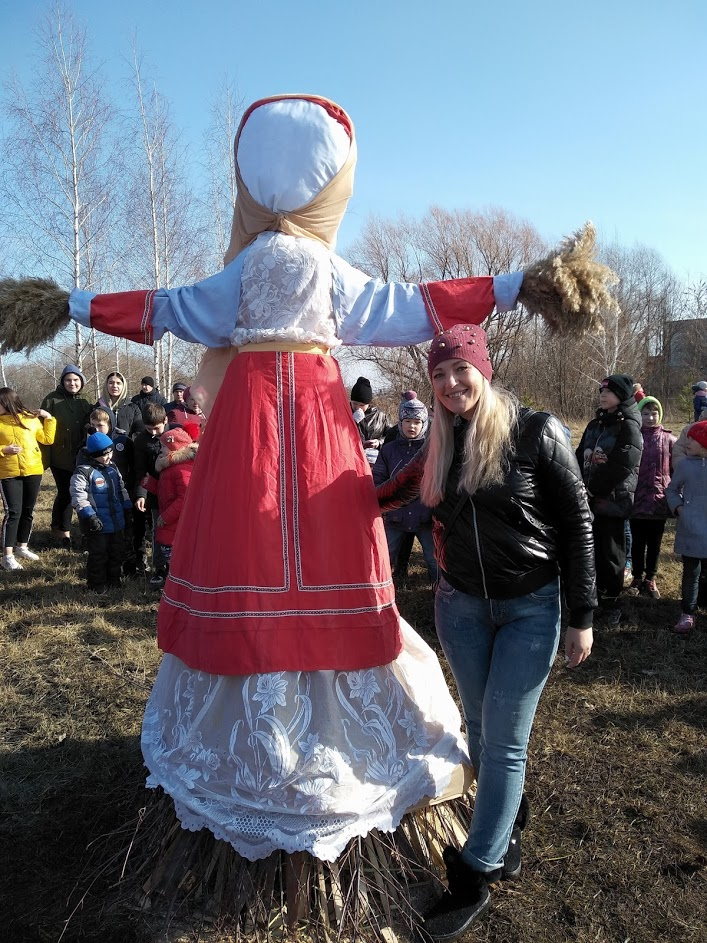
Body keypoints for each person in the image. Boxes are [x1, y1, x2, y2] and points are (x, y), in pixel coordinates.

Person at [2, 95, 617, 867]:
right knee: (330, 546)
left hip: (247, 426)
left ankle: (250, 703)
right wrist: (515, 283)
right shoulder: (328, 271)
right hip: (318, 421)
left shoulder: (243, 270)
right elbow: (417, 304)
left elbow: (163, 309)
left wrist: (71, 303)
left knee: (246, 540)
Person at [376, 325, 595, 939]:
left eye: (460, 371)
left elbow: (578, 522)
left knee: (503, 742)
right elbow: (382, 494)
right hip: (461, 609)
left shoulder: (535, 431)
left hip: (532, 608)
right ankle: (510, 823)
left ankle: (476, 870)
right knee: (478, 726)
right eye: (439, 375)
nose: (450, 384)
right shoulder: (438, 446)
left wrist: (583, 616)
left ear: (484, 369)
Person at [576, 374, 643, 625]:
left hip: (613, 502)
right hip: (589, 499)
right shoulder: (595, 424)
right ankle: (591, 598)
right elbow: (578, 454)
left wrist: (594, 489)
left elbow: (623, 465)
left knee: (611, 554)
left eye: (609, 391)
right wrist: (577, 485)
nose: (603, 395)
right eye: (601, 391)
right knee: (589, 552)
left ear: (622, 396)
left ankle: (612, 602)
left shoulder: (628, 426)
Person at [372, 391, 435, 584]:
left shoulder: (433, 450)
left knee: (434, 560)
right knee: (385, 557)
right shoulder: (388, 450)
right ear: (400, 422)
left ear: (424, 424)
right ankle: (379, 593)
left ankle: (441, 593)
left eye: (417, 422)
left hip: (425, 517)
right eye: (407, 421)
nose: (412, 426)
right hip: (395, 518)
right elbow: (378, 480)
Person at [0, 388, 56, 570]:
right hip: (8, 473)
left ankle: (22, 547)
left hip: (33, 470)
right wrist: (3, 450)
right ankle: (7, 557)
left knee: (28, 511)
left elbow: (47, 439)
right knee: (13, 513)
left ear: (7, 402)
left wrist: (49, 419)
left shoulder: (30, 419)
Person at [70, 432, 132, 594]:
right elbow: (79, 496)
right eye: (103, 455)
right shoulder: (83, 472)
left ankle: (114, 580)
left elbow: (121, 488)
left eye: (110, 453)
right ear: (94, 454)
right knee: (99, 554)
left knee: (116, 552)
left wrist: (127, 507)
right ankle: (97, 584)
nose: (108, 457)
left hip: (116, 520)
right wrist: (89, 515)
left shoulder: (113, 467)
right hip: (98, 523)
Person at [40, 364, 92, 549]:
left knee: (81, 493)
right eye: (68, 380)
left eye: (76, 380)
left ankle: (84, 531)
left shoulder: (86, 400)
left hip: (81, 455)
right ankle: (62, 533)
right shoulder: (52, 400)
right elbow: (41, 427)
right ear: (62, 381)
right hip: (60, 456)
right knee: (65, 493)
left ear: (81, 382)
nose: (72, 383)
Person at [628, 396, 675, 599]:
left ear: (660, 414)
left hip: (659, 499)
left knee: (655, 543)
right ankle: (637, 577)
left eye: (654, 413)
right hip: (637, 499)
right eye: (645, 413)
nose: (650, 417)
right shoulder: (634, 437)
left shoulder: (669, 439)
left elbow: (676, 469)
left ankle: (651, 577)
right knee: (637, 541)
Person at [84, 407, 138, 575]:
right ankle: (99, 574)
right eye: (93, 425)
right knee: (100, 543)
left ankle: (125, 569)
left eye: (100, 425)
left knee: (123, 538)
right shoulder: (86, 447)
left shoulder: (123, 441)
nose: (96, 429)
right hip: (97, 502)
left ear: (110, 424)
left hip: (120, 496)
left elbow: (133, 467)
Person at [666, 420, 707, 635]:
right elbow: (671, 490)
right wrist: (679, 509)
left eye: (692, 439)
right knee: (691, 572)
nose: (687, 442)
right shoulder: (685, 465)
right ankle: (688, 612)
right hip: (691, 528)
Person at [149, 422, 200, 589]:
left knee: (176, 558)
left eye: (163, 447)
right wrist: (150, 485)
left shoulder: (181, 469)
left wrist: (166, 516)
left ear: (174, 448)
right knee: (170, 557)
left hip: (175, 524)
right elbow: (168, 490)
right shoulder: (170, 467)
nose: (161, 451)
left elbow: (184, 498)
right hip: (171, 523)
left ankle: (178, 587)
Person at [133, 403, 169, 578]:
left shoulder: (175, 435)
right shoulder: (141, 441)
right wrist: (141, 494)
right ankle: (160, 567)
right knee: (158, 529)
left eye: (156, 428)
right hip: (155, 494)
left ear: (166, 420)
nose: (153, 433)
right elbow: (141, 471)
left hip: (178, 493)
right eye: (149, 429)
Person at [350, 376, 395, 463]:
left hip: (373, 461)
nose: (357, 408)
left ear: (368, 403)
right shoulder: (344, 413)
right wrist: (351, 422)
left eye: (362, 405)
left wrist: (379, 442)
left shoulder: (380, 415)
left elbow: (391, 436)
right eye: (354, 404)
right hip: (351, 458)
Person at [94, 371, 143, 437]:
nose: (114, 386)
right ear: (106, 385)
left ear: (123, 386)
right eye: (111, 383)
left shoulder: (133, 408)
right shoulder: (98, 407)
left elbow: (139, 431)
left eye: (118, 383)